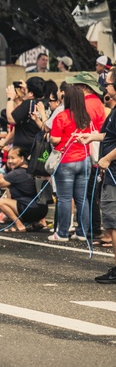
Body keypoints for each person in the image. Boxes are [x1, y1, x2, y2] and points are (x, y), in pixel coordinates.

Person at [75, 71, 116, 281]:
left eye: (108, 84)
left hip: (114, 172)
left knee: (113, 222)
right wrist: (93, 136)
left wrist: (107, 158)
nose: (105, 88)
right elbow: (111, 135)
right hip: (110, 172)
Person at [49, 82, 94, 242]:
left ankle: (61, 233)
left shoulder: (62, 116)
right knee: (82, 198)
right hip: (85, 159)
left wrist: (50, 138)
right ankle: (82, 233)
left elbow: (55, 139)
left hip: (66, 161)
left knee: (65, 198)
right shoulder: (86, 116)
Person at [0, 147, 49, 233]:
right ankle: (40, 221)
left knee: (1, 202)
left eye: (13, 158)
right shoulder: (31, 170)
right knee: (10, 188)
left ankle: (19, 225)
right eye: (8, 158)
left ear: (22, 158)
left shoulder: (17, 173)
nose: (9, 161)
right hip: (42, 211)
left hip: (31, 210)